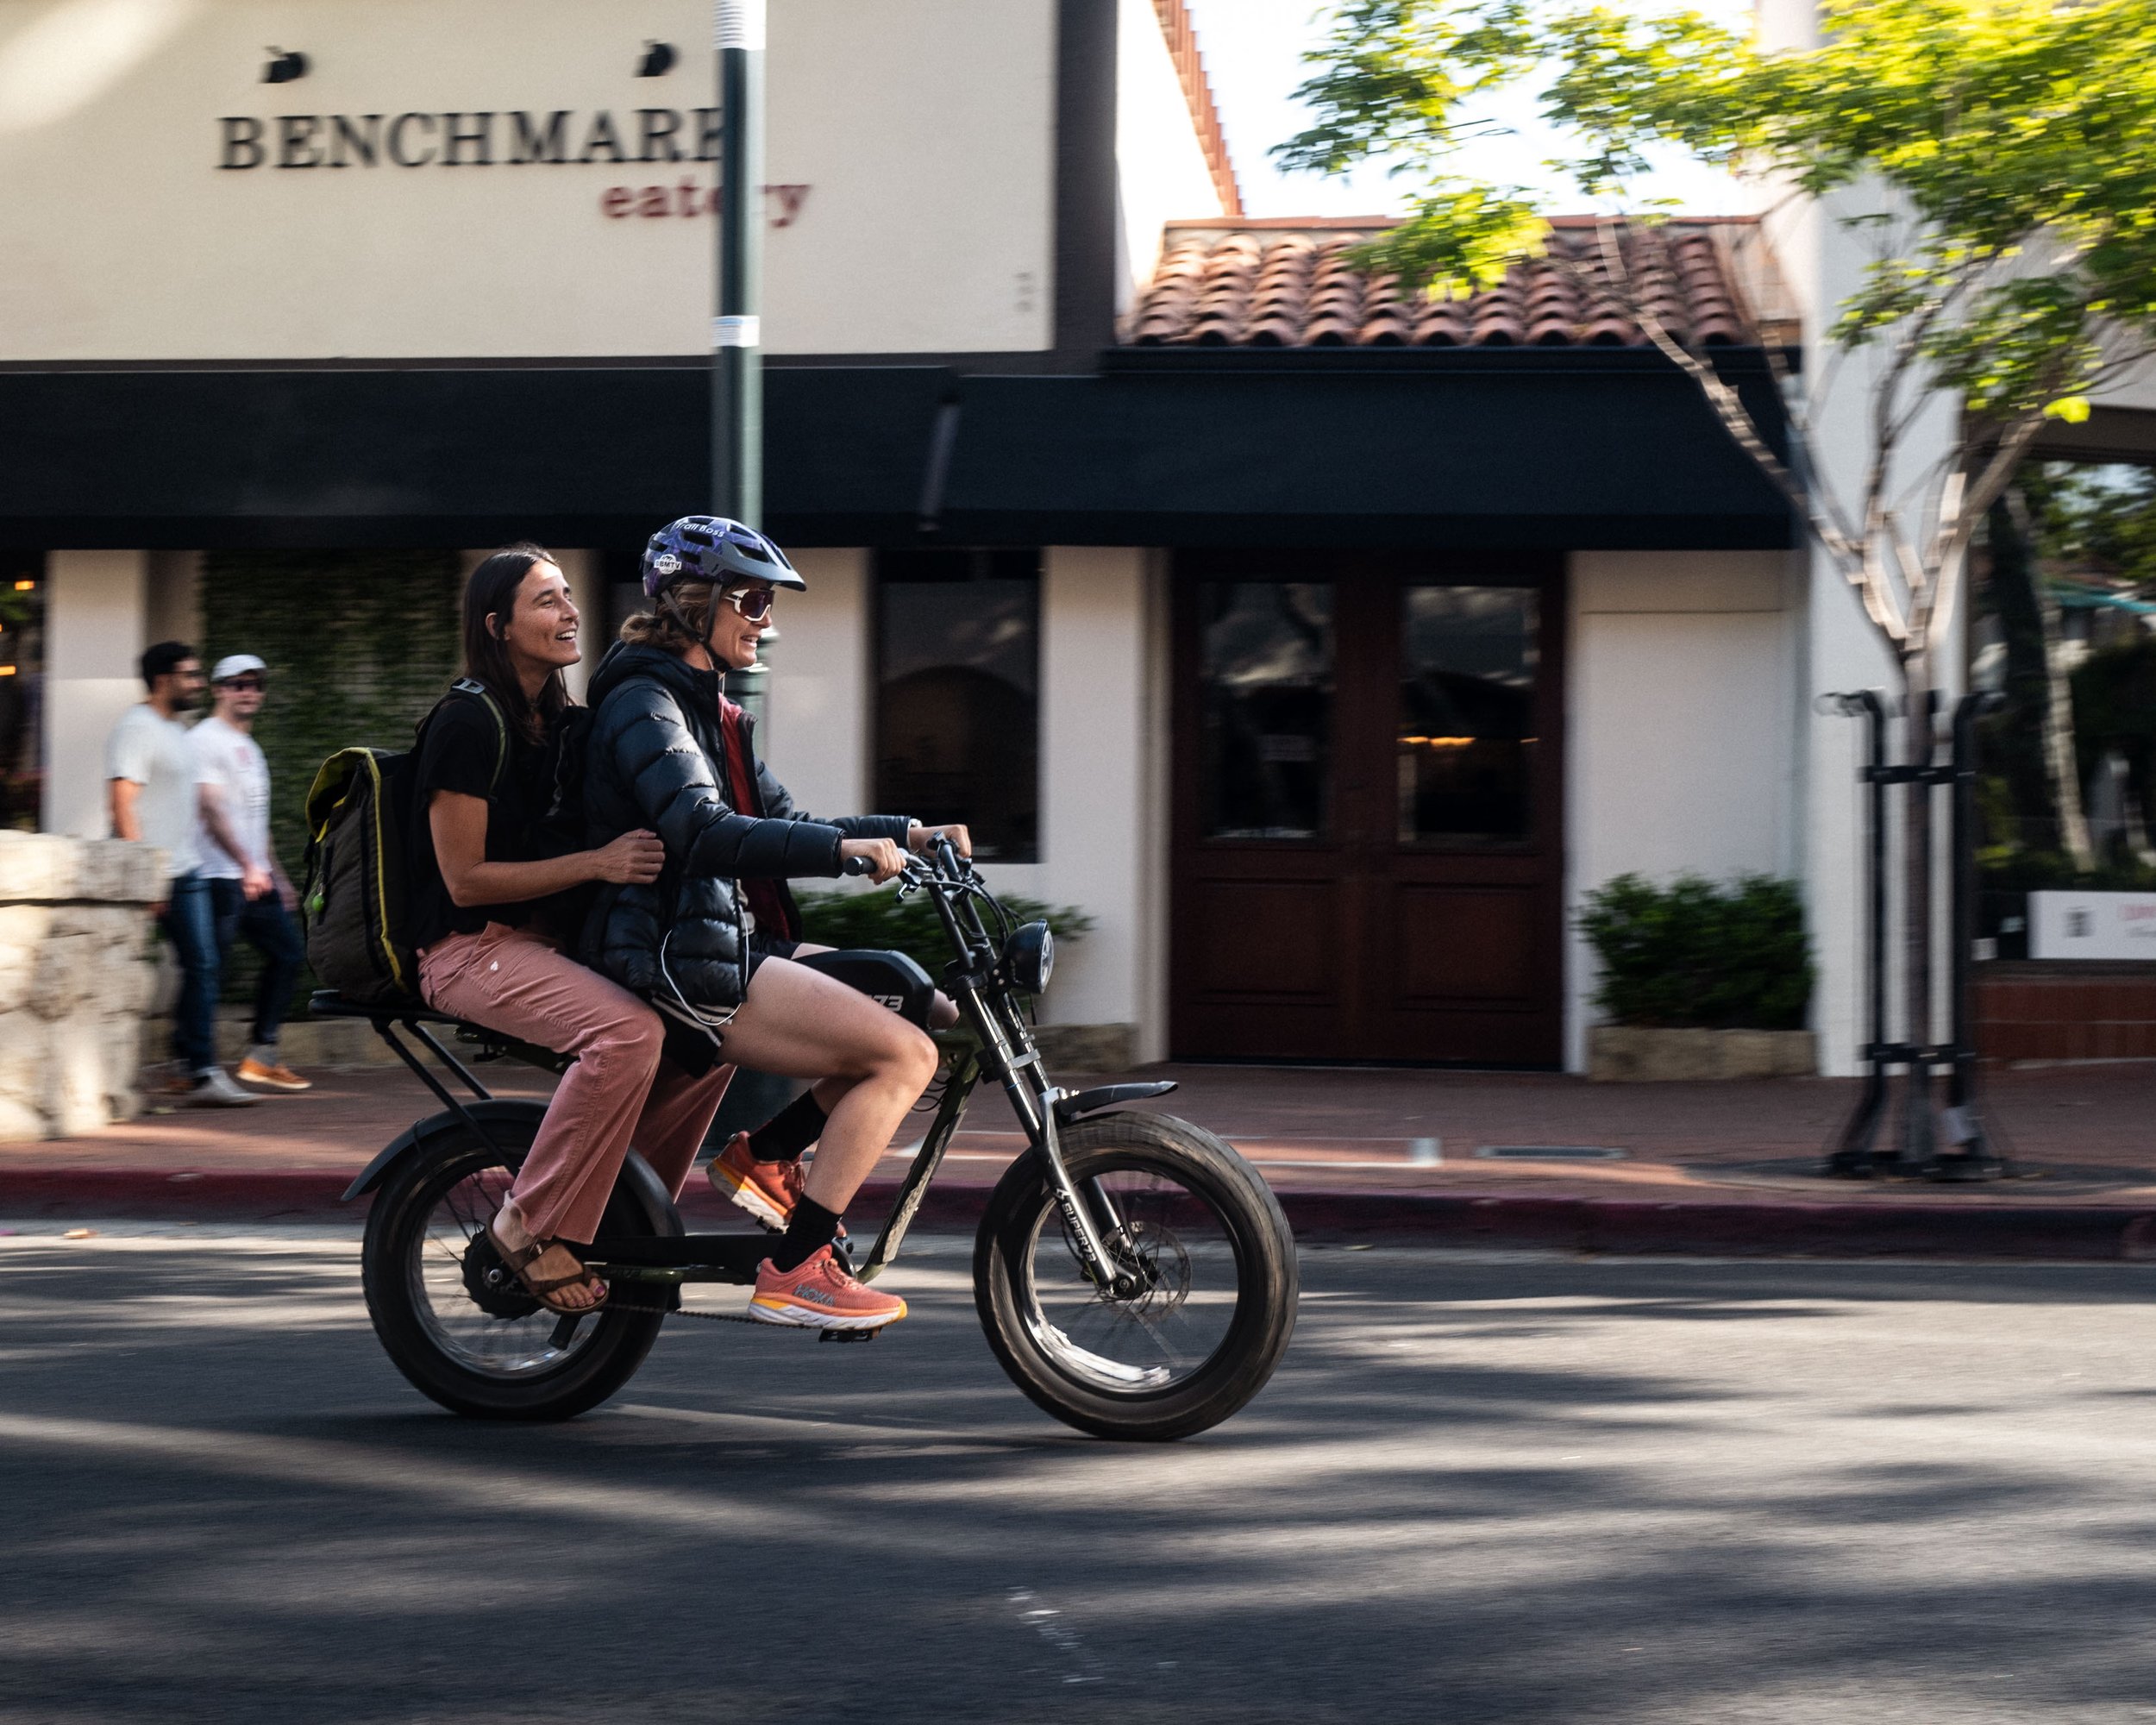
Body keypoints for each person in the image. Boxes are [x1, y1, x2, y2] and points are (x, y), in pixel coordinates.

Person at [581, 515, 963, 1333]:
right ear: (692, 604)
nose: (766, 622)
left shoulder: (708, 712)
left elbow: (790, 820)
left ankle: (767, 1155)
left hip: (716, 939)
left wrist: (906, 834)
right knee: (906, 1055)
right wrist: (845, 853)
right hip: (672, 960)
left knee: (914, 997)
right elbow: (704, 833)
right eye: (751, 602)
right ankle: (798, 1267)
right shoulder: (646, 705)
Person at [411, 543, 730, 1317]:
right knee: (627, 1037)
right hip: (465, 948)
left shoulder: (560, 717)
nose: (570, 611)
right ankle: (527, 1223)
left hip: (538, 941)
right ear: (498, 626)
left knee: (707, 1038)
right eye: (546, 601)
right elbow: (465, 880)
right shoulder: (466, 722)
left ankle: (623, 1214)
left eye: (567, 595)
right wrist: (602, 863)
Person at [106, 641, 255, 1107]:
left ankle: (190, 1066)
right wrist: (142, 876)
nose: (197, 683)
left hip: (186, 867)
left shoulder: (176, 728)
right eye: (190, 675)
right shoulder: (137, 727)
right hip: (158, 872)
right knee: (200, 964)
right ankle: (198, 1069)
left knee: (202, 965)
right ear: (164, 679)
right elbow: (122, 802)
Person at [191, 653, 310, 1092]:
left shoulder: (250, 748)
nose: (248, 691)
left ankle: (261, 1055)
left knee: (287, 955)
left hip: (252, 878)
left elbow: (254, 819)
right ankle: (193, 1069)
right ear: (218, 689)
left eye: (255, 684)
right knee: (208, 971)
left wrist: (274, 873)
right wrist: (246, 865)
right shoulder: (204, 740)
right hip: (216, 877)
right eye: (238, 683)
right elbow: (210, 807)